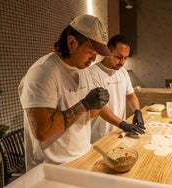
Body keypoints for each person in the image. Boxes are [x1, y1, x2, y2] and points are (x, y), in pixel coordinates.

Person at [18, 14, 111, 171]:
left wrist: (98, 103)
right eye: (91, 51)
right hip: (52, 169)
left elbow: (90, 114)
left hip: (82, 158)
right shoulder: (42, 73)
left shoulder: (83, 70)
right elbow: (43, 131)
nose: (93, 59)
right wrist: (85, 104)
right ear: (72, 42)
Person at [89, 34, 145, 143]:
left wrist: (137, 111)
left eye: (125, 58)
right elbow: (99, 107)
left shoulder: (123, 72)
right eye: (118, 57)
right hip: (99, 135)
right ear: (107, 52)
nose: (122, 62)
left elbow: (131, 95)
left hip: (118, 133)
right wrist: (122, 124)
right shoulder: (93, 73)